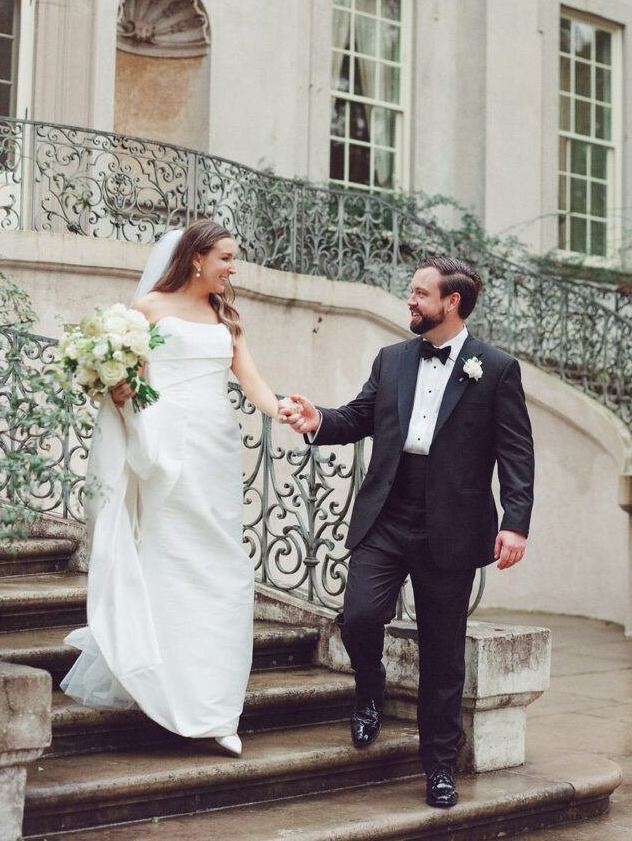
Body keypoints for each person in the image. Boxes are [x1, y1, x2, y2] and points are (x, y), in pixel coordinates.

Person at [282, 256, 534, 808]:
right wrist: (316, 419)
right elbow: (358, 417)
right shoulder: (392, 359)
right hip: (388, 514)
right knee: (361, 616)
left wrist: (515, 523)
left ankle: (440, 767)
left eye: (420, 293)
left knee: (443, 654)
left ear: (452, 303)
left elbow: (517, 453)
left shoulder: (495, 369)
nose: (410, 301)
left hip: (453, 526)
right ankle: (368, 687)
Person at [61, 220, 293, 756]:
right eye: (227, 258)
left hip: (215, 449)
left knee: (225, 570)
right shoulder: (147, 309)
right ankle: (170, 690)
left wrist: (284, 411)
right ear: (196, 259)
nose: (234, 269)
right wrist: (117, 390)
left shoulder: (226, 316)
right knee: (171, 562)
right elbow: (130, 382)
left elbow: (250, 380)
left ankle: (216, 706)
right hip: (164, 447)